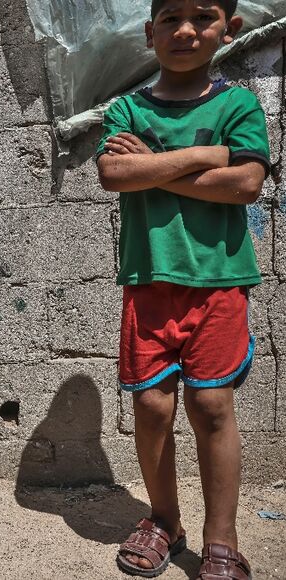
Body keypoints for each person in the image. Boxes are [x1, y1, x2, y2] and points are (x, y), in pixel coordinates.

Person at [97, 1, 269, 578]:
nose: (186, 30)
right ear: (150, 33)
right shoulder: (127, 107)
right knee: (149, 405)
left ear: (230, 29)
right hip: (149, 282)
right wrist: (201, 155)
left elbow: (245, 183)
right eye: (170, 18)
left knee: (212, 405)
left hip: (219, 282)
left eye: (203, 16)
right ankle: (165, 520)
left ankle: (223, 538)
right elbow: (114, 174)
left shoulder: (238, 103)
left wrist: (158, 163)